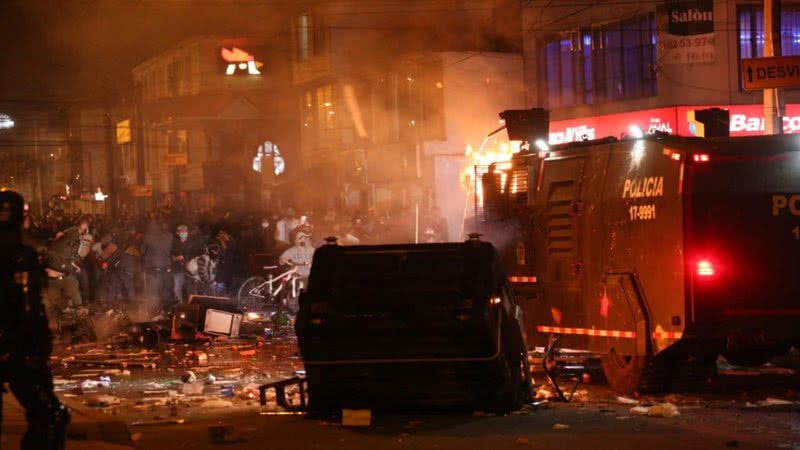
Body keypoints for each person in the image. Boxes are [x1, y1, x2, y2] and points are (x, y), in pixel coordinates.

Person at [0, 190, 70, 449]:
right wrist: (38, 347)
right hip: (16, 347)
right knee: (51, 415)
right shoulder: (20, 256)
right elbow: (26, 308)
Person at [43, 219, 85, 334]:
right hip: (52, 280)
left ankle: (80, 319)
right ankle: (60, 324)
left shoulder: (66, 245)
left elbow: (67, 258)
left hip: (66, 277)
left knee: (75, 293)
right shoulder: (52, 246)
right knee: (55, 301)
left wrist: (74, 265)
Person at [141, 220, 173, 316]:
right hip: (166, 267)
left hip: (152, 268)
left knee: (153, 292)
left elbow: (142, 251)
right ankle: (166, 312)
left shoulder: (148, 236)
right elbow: (172, 250)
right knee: (165, 290)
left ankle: (153, 314)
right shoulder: (170, 236)